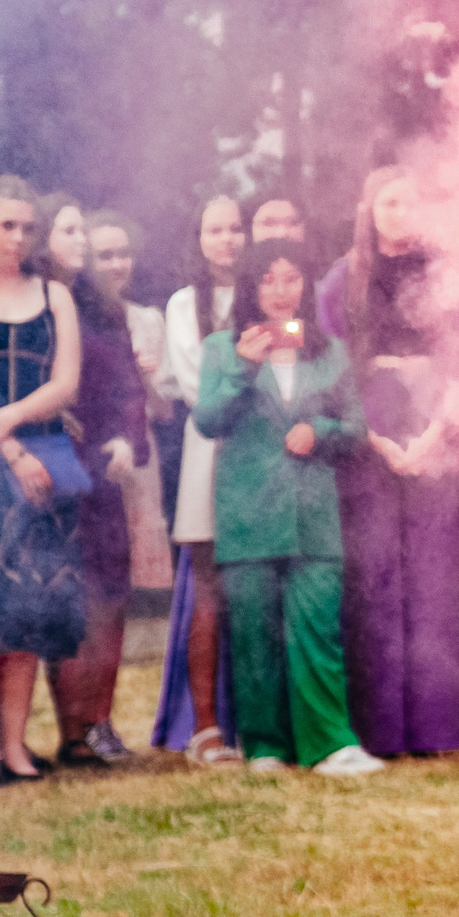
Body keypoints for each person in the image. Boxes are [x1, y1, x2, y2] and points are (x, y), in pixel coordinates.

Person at [192, 239, 384, 776]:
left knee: (317, 628)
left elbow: (356, 430)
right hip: (249, 513)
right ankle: (265, 748)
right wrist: (243, 369)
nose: (281, 291)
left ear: (307, 285)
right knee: (254, 636)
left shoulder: (330, 351)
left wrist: (319, 430)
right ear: (251, 287)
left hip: (312, 515)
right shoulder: (222, 349)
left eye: (292, 278)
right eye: (268, 279)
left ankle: (330, 745)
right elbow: (206, 422)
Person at [315, 168, 459, 757]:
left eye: (412, 202)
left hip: (434, 424)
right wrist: (375, 438)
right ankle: (380, 728)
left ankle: (436, 728)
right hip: (368, 424)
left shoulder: (445, 273)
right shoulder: (344, 278)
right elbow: (329, 366)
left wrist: (433, 435)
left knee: (433, 575)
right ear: (369, 208)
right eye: (390, 202)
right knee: (376, 573)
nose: (401, 213)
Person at [0, 176, 86, 789]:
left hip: (44, 466)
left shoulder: (53, 295)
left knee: (30, 614)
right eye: (6, 225)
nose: (18, 237)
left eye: (27, 227)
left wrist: (7, 421)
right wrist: (5, 444)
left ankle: (15, 746)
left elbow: (65, 383)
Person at [31, 194, 149, 766]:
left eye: (83, 230)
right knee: (65, 598)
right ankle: (72, 730)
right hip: (53, 465)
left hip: (105, 466)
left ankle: (100, 721)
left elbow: (130, 386)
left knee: (109, 595)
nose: (82, 240)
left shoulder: (104, 307)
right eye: (70, 230)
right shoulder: (29, 304)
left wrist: (128, 438)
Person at [152, 193, 248, 765]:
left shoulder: (267, 293)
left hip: (265, 451)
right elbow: (195, 385)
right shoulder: (183, 304)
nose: (227, 239)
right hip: (209, 450)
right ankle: (206, 727)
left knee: (260, 587)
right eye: (216, 230)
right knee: (209, 588)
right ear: (199, 238)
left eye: (235, 228)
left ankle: (263, 723)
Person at [87, 211, 176, 595]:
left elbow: (165, 410)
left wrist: (142, 378)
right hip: (92, 447)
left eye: (123, 254)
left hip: (139, 453)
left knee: (130, 583)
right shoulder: (72, 314)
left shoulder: (148, 320)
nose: (116, 264)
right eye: (104, 255)